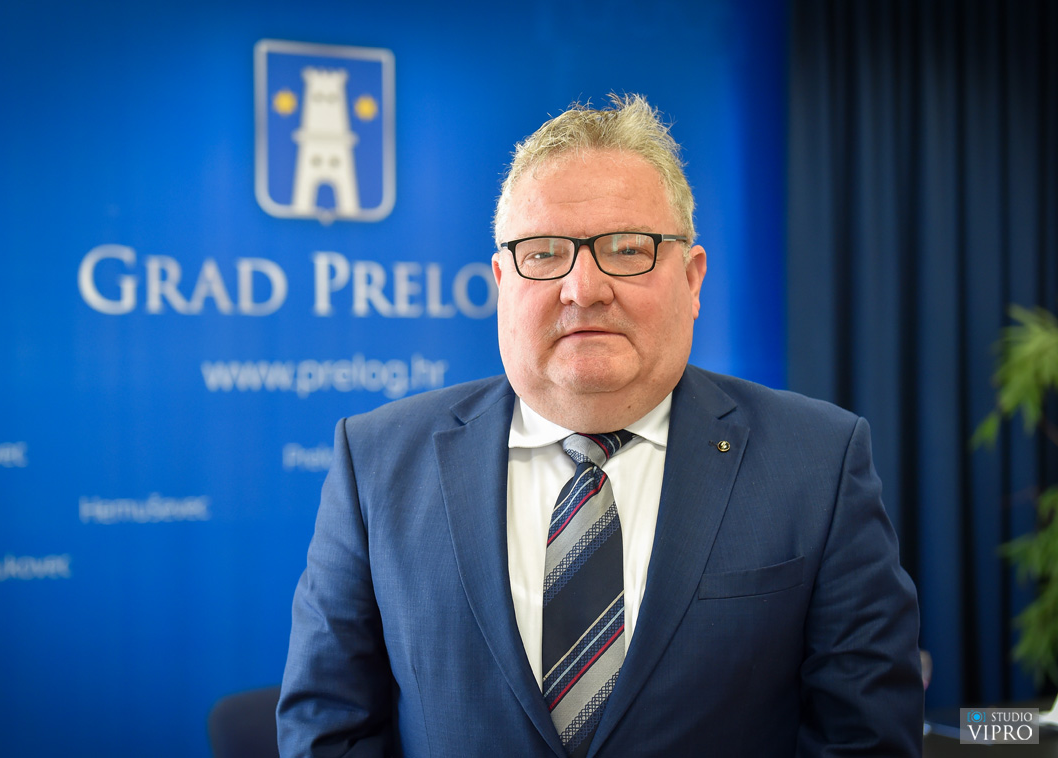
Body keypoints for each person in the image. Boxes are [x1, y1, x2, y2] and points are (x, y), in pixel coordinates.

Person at [277, 94, 923, 757]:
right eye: (544, 253)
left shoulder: (818, 463)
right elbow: (329, 730)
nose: (583, 289)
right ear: (502, 282)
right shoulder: (376, 462)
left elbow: (866, 741)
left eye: (627, 249)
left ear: (692, 280)